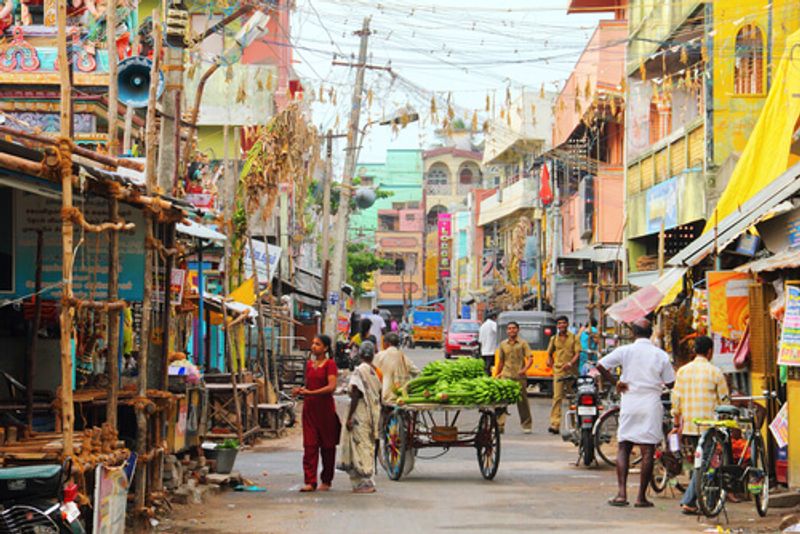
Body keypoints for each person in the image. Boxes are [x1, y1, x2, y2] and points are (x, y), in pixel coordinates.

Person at [597, 319, 675, 508]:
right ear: (651, 333)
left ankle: (622, 494)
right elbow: (671, 382)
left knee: (624, 446)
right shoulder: (660, 355)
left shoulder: (626, 351)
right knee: (647, 450)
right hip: (650, 403)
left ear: (633, 333)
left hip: (630, 401)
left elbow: (600, 365)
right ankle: (641, 497)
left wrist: (615, 382)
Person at [671, 335, 729, 514]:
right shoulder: (715, 372)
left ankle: (706, 499)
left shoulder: (682, 371)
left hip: (690, 426)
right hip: (709, 427)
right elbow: (724, 401)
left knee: (701, 462)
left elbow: (676, 399)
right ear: (710, 351)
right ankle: (689, 500)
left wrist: (676, 422)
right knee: (706, 463)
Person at [293, 335, 340, 492]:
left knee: (328, 447)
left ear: (325, 348)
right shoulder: (309, 365)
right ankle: (310, 480)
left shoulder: (330, 365)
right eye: (313, 343)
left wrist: (312, 393)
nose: (313, 347)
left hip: (325, 410)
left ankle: (326, 480)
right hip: (309, 409)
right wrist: (300, 391)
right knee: (310, 446)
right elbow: (307, 385)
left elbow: (331, 387)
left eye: (317, 344)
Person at [337, 341, 383, 493]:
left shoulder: (360, 371)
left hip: (361, 412)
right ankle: (361, 481)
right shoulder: (374, 371)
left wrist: (350, 417)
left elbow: (356, 393)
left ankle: (366, 482)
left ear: (361, 354)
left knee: (361, 445)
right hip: (373, 412)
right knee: (367, 444)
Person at [494, 321, 533, 434]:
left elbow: (530, 358)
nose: (511, 330)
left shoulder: (523, 343)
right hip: (506, 376)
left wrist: (524, 370)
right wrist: (497, 374)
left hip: (519, 377)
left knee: (522, 401)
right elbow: (501, 361)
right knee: (501, 400)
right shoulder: (503, 344)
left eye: (514, 328)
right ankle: (500, 425)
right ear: (507, 331)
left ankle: (526, 424)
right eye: (509, 328)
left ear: (518, 330)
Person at [546, 315, 580, 435]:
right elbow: (549, 353)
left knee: (572, 398)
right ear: (557, 326)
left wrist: (570, 363)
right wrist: (549, 360)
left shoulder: (574, 338)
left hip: (572, 372)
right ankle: (555, 424)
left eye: (563, 323)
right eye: (559, 323)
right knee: (557, 397)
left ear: (567, 324)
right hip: (559, 371)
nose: (561, 325)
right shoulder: (554, 339)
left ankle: (574, 425)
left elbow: (577, 353)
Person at [374, 332, 420, 405]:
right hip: (403, 396)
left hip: (385, 397)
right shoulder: (404, 357)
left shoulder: (380, 356)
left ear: (386, 343)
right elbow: (417, 373)